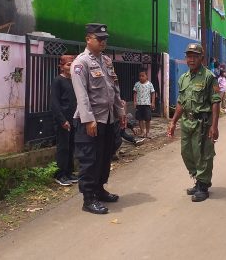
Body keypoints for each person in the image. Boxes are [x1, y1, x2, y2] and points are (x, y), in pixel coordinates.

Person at [71, 23, 126, 215]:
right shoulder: (80, 63)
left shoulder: (107, 61)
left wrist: (120, 112)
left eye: (105, 39)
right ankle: (89, 198)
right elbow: (81, 94)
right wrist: (88, 120)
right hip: (91, 121)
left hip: (108, 118)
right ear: (88, 39)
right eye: (99, 39)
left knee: (104, 157)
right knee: (90, 159)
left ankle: (100, 189)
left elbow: (114, 89)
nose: (103, 42)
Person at [167, 43, 221, 202]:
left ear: (201, 58)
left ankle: (203, 186)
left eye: (194, 56)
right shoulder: (183, 78)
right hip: (186, 122)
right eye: (188, 56)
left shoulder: (209, 77)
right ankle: (198, 179)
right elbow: (180, 103)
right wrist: (173, 122)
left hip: (203, 123)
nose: (191, 59)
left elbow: (216, 101)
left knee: (203, 154)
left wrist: (214, 126)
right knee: (186, 152)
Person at [50, 55, 79, 187]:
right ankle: (60, 174)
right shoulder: (58, 81)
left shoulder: (74, 80)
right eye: (68, 64)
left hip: (73, 119)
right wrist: (62, 120)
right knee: (63, 147)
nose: (70, 66)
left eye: (72, 64)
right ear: (61, 67)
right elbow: (54, 103)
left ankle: (69, 172)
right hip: (63, 120)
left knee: (71, 146)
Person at [133, 71, 156, 139]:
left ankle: (147, 132)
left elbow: (153, 93)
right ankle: (142, 132)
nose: (141, 77)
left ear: (146, 76)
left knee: (148, 119)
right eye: (140, 76)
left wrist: (153, 102)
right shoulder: (137, 84)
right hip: (139, 104)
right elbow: (135, 93)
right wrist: (134, 102)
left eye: (143, 76)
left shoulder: (150, 84)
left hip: (147, 105)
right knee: (140, 119)